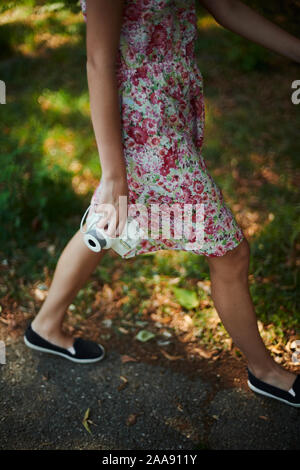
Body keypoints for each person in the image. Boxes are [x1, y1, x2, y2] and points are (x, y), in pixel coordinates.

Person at [24, 0, 300, 407]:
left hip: (171, 105)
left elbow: (224, 6)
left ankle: (45, 325)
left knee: (107, 221)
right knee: (230, 253)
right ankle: (266, 372)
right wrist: (114, 173)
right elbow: (98, 61)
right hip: (145, 124)